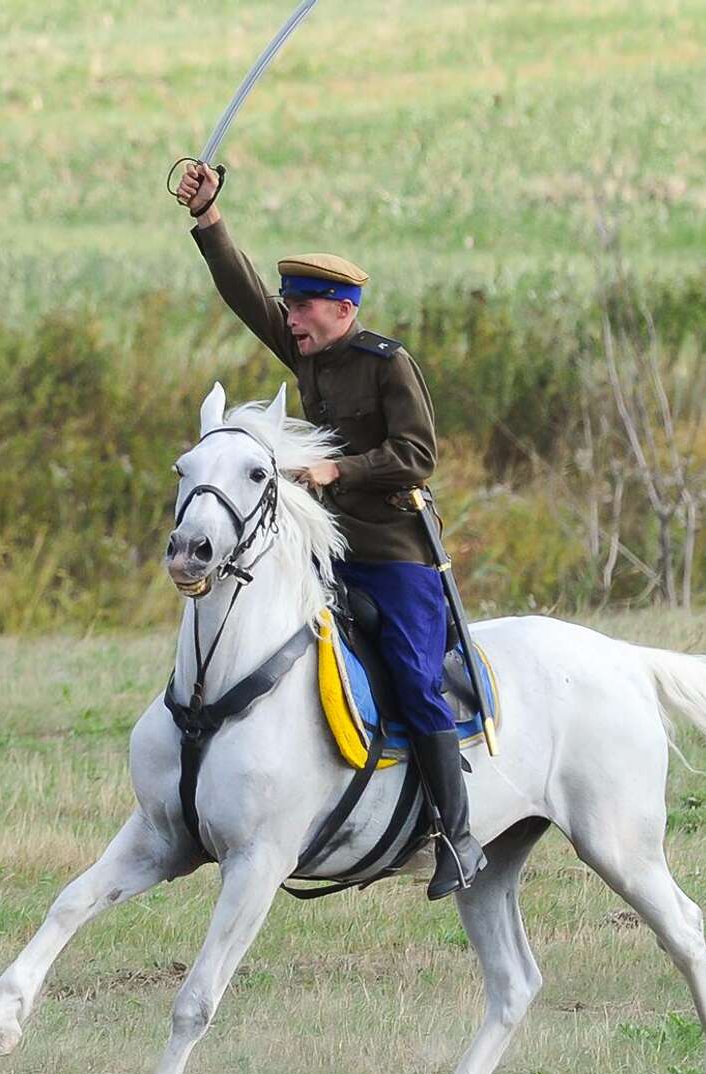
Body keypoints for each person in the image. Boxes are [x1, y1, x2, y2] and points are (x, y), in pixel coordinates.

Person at [175, 161, 484, 897]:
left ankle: (460, 834)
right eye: (290, 306)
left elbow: (417, 456)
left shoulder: (387, 364)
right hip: (329, 557)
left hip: (398, 555)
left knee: (412, 677)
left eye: (304, 307)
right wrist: (210, 220)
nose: (290, 318)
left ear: (342, 310)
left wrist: (334, 472)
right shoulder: (308, 355)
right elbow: (246, 297)